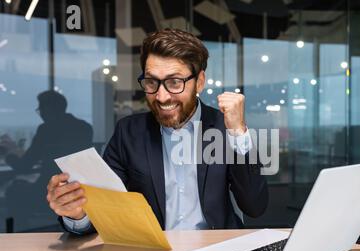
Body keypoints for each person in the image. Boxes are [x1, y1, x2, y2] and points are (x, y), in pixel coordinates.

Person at [46, 29, 268, 235]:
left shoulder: (223, 128)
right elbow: (106, 208)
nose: (162, 97)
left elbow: (255, 206)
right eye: (152, 82)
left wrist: (239, 133)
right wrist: (78, 214)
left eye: (174, 82)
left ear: (199, 82)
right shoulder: (129, 133)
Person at [4, 90, 93, 231]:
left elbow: (25, 165)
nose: (41, 114)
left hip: (50, 188)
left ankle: (19, 232)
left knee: (14, 191)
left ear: (49, 109)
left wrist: (7, 153)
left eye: (41, 109)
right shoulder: (84, 127)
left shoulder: (46, 129)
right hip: (82, 187)